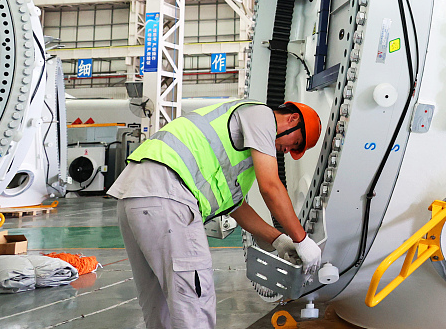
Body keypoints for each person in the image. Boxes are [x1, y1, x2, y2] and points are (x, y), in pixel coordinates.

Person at [108, 99, 324, 329]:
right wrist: (302, 240)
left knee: (160, 309)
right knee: (194, 303)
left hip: (135, 196)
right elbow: (270, 187)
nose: (288, 150)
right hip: (168, 195)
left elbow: (237, 206)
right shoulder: (261, 115)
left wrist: (278, 240)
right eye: (295, 142)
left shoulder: (238, 153)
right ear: (292, 119)